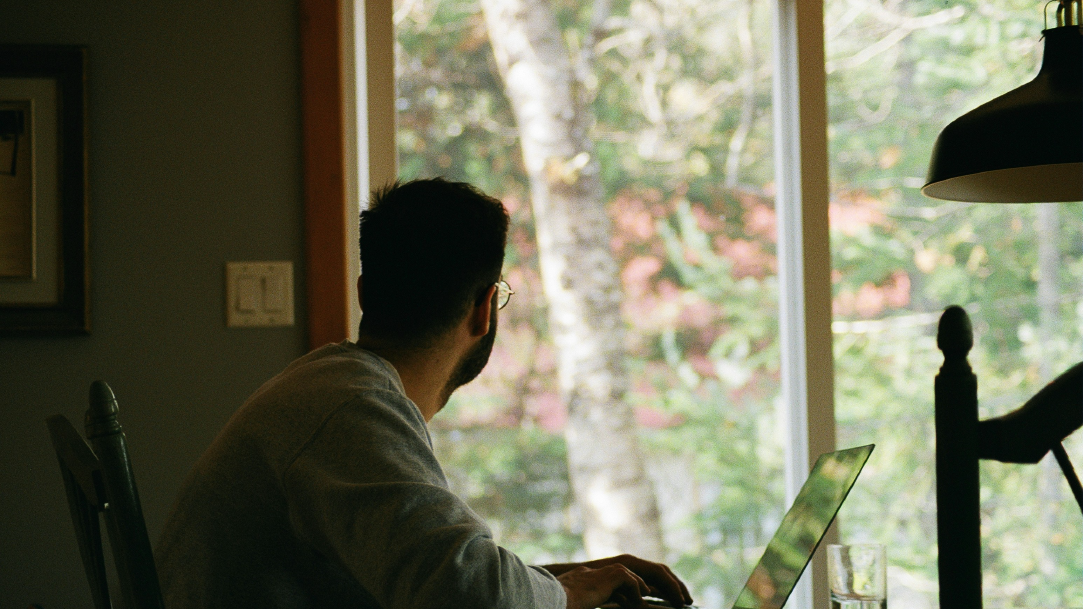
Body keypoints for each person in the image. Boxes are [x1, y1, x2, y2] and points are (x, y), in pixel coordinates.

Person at [156, 178, 694, 609]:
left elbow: (437, 573)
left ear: (366, 294)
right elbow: (468, 596)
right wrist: (564, 595)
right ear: (484, 309)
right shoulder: (351, 409)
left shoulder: (330, 388)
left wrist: (563, 583)